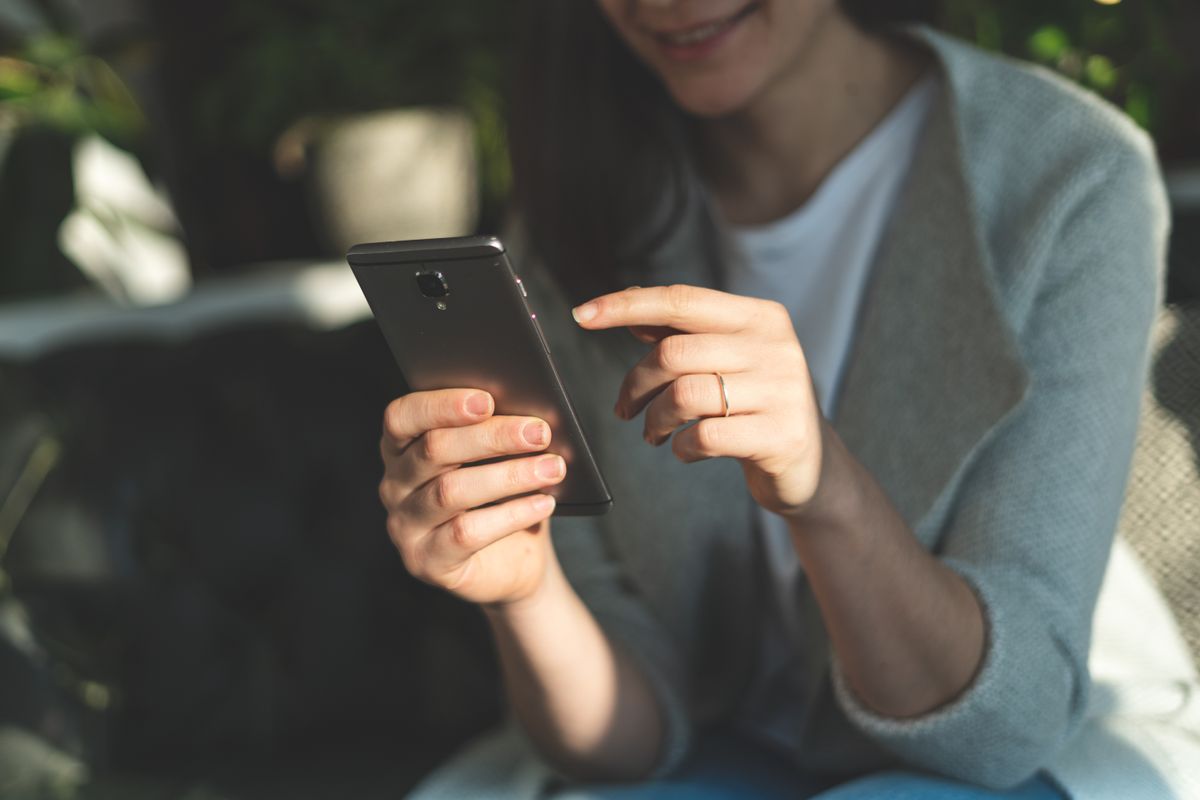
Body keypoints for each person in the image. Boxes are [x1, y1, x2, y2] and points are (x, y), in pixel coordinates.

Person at [379, 1, 1171, 797]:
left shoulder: (1069, 177)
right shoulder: (576, 207)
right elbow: (623, 746)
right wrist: (525, 592)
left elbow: (1003, 729)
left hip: (1001, 745)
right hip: (719, 749)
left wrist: (824, 486)